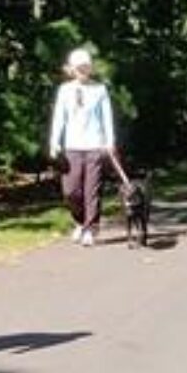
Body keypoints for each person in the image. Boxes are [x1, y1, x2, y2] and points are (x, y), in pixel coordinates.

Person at [48, 47, 118, 247]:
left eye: (86, 67)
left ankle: (90, 229)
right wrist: (54, 141)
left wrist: (110, 141)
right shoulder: (65, 90)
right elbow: (59, 117)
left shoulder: (100, 89)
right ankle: (79, 222)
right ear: (71, 69)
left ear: (90, 68)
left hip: (95, 146)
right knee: (71, 191)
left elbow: (107, 118)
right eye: (79, 68)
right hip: (72, 147)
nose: (82, 71)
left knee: (91, 190)